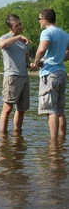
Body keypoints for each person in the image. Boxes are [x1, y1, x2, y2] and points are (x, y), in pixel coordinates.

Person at [34, 9, 69, 138]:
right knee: (60, 110)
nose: (39, 22)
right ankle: (62, 140)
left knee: (50, 110)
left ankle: (53, 142)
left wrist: (37, 61)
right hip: (62, 73)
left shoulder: (47, 32)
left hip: (50, 73)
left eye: (39, 19)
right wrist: (60, 59)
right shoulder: (65, 34)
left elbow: (42, 48)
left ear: (45, 19)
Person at [0, 14, 34, 134]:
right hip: (12, 76)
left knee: (22, 109)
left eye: (20, 24)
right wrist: (18, 38)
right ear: (10, 28)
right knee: (7, 108)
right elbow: (2, 45)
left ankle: (17, 133)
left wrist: (32, 65)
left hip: (24, 77)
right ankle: (2, 135)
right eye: (16, 25)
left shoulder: (25, 41)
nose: (19, 27)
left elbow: (26, 60)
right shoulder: (4, 37)